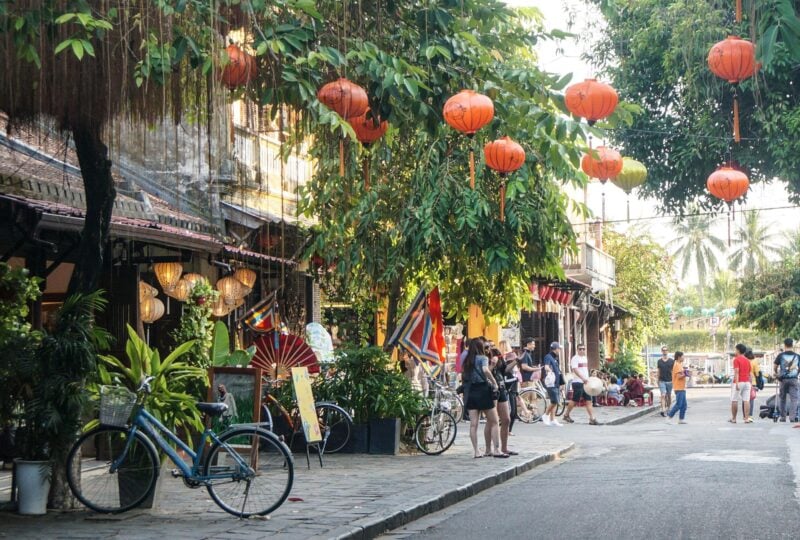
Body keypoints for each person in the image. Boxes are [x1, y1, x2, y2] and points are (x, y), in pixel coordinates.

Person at [462, 339, 503, 458]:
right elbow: (485, 370)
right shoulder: (482, 358)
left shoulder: (467, 360)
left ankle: (476, 451)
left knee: (473, 424)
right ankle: (496, 449)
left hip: (471, 392)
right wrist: (493, 381)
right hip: (483, 391)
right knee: (494, 421)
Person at [563, 344, 599, 425]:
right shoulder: (575, 359)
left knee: (589, 400)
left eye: (583, 349)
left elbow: (585, 370)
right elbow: (575, 370)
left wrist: (588, 379)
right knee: (575, 400)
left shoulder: (585, 358)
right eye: (580, 349)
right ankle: (566, 414)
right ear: (577, 350)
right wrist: (583, 378)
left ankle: (592, 418)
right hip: (577, 382)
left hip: (586, 382)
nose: (582, 350)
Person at [490, 350, 516, 456]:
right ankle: (490, 448)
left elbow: (505, 370)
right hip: (492, 390)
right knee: (493, 421)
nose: (491, 347)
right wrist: (492, 364)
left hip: (502, 389)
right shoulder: (485, 359)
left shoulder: (498, 357)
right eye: (488, 346)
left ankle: (504, 448)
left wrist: (516, 361)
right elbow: (485, 372)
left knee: (506, 419)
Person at [773, 338, 800, 423]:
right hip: (794, 379)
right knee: (794, 399)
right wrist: (796, 373)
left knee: (782, 398)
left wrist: (777, 373)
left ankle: (783, 417)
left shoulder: (781, 355)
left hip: (783, 379)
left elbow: (775, 366)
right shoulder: (797, 356)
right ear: (792, 345)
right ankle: (792, 417)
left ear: (785, 345)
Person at [542, 342, 566, 425]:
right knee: (554, 401)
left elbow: (558, 371)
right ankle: (546, 415)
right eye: (558, 349)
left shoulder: (555, 358)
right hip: (551, 382)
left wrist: (561, 383)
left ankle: (552, 419)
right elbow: (546, 366)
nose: (559, 350)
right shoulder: (548, 357)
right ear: (555, 349)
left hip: (556, 382)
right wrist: (550, 371)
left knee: (555, 400)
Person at [729, 343, 752, 423]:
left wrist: (737, 383)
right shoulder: (747, 360)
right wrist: (750, 383)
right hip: (747, 382)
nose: (735, 351)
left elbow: (737, 372)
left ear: (738, 350)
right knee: (746, 400)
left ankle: (734, 418)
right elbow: (749, 373)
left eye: (735, 349)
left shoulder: (736, 359)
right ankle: (746, 418)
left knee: (734, 400)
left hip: (739, 381)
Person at [666, 351, 689, 424]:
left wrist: (685, 373)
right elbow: (679, 376)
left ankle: (681, 419)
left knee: (684, 405)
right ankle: (669, 417)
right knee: (679, 404)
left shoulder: (679, 364)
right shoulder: (677, 365)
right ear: (679, 357)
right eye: (683, 356)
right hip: (679, 388)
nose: (684, 357)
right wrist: (685, 374)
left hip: (681, 387)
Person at [657, 346, 674, 417]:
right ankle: (663, 410)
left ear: (668, 351)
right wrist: (657, 380)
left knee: (669, 395)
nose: (665, 351)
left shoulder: (671, 361)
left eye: (666, 350)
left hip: (670, 381)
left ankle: (669, 408)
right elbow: (658, 371)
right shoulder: (659, 361)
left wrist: (674, 380)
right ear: (662, 351)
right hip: (662, 381)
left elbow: (673, 371)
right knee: (663, 395)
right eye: (663, 350)